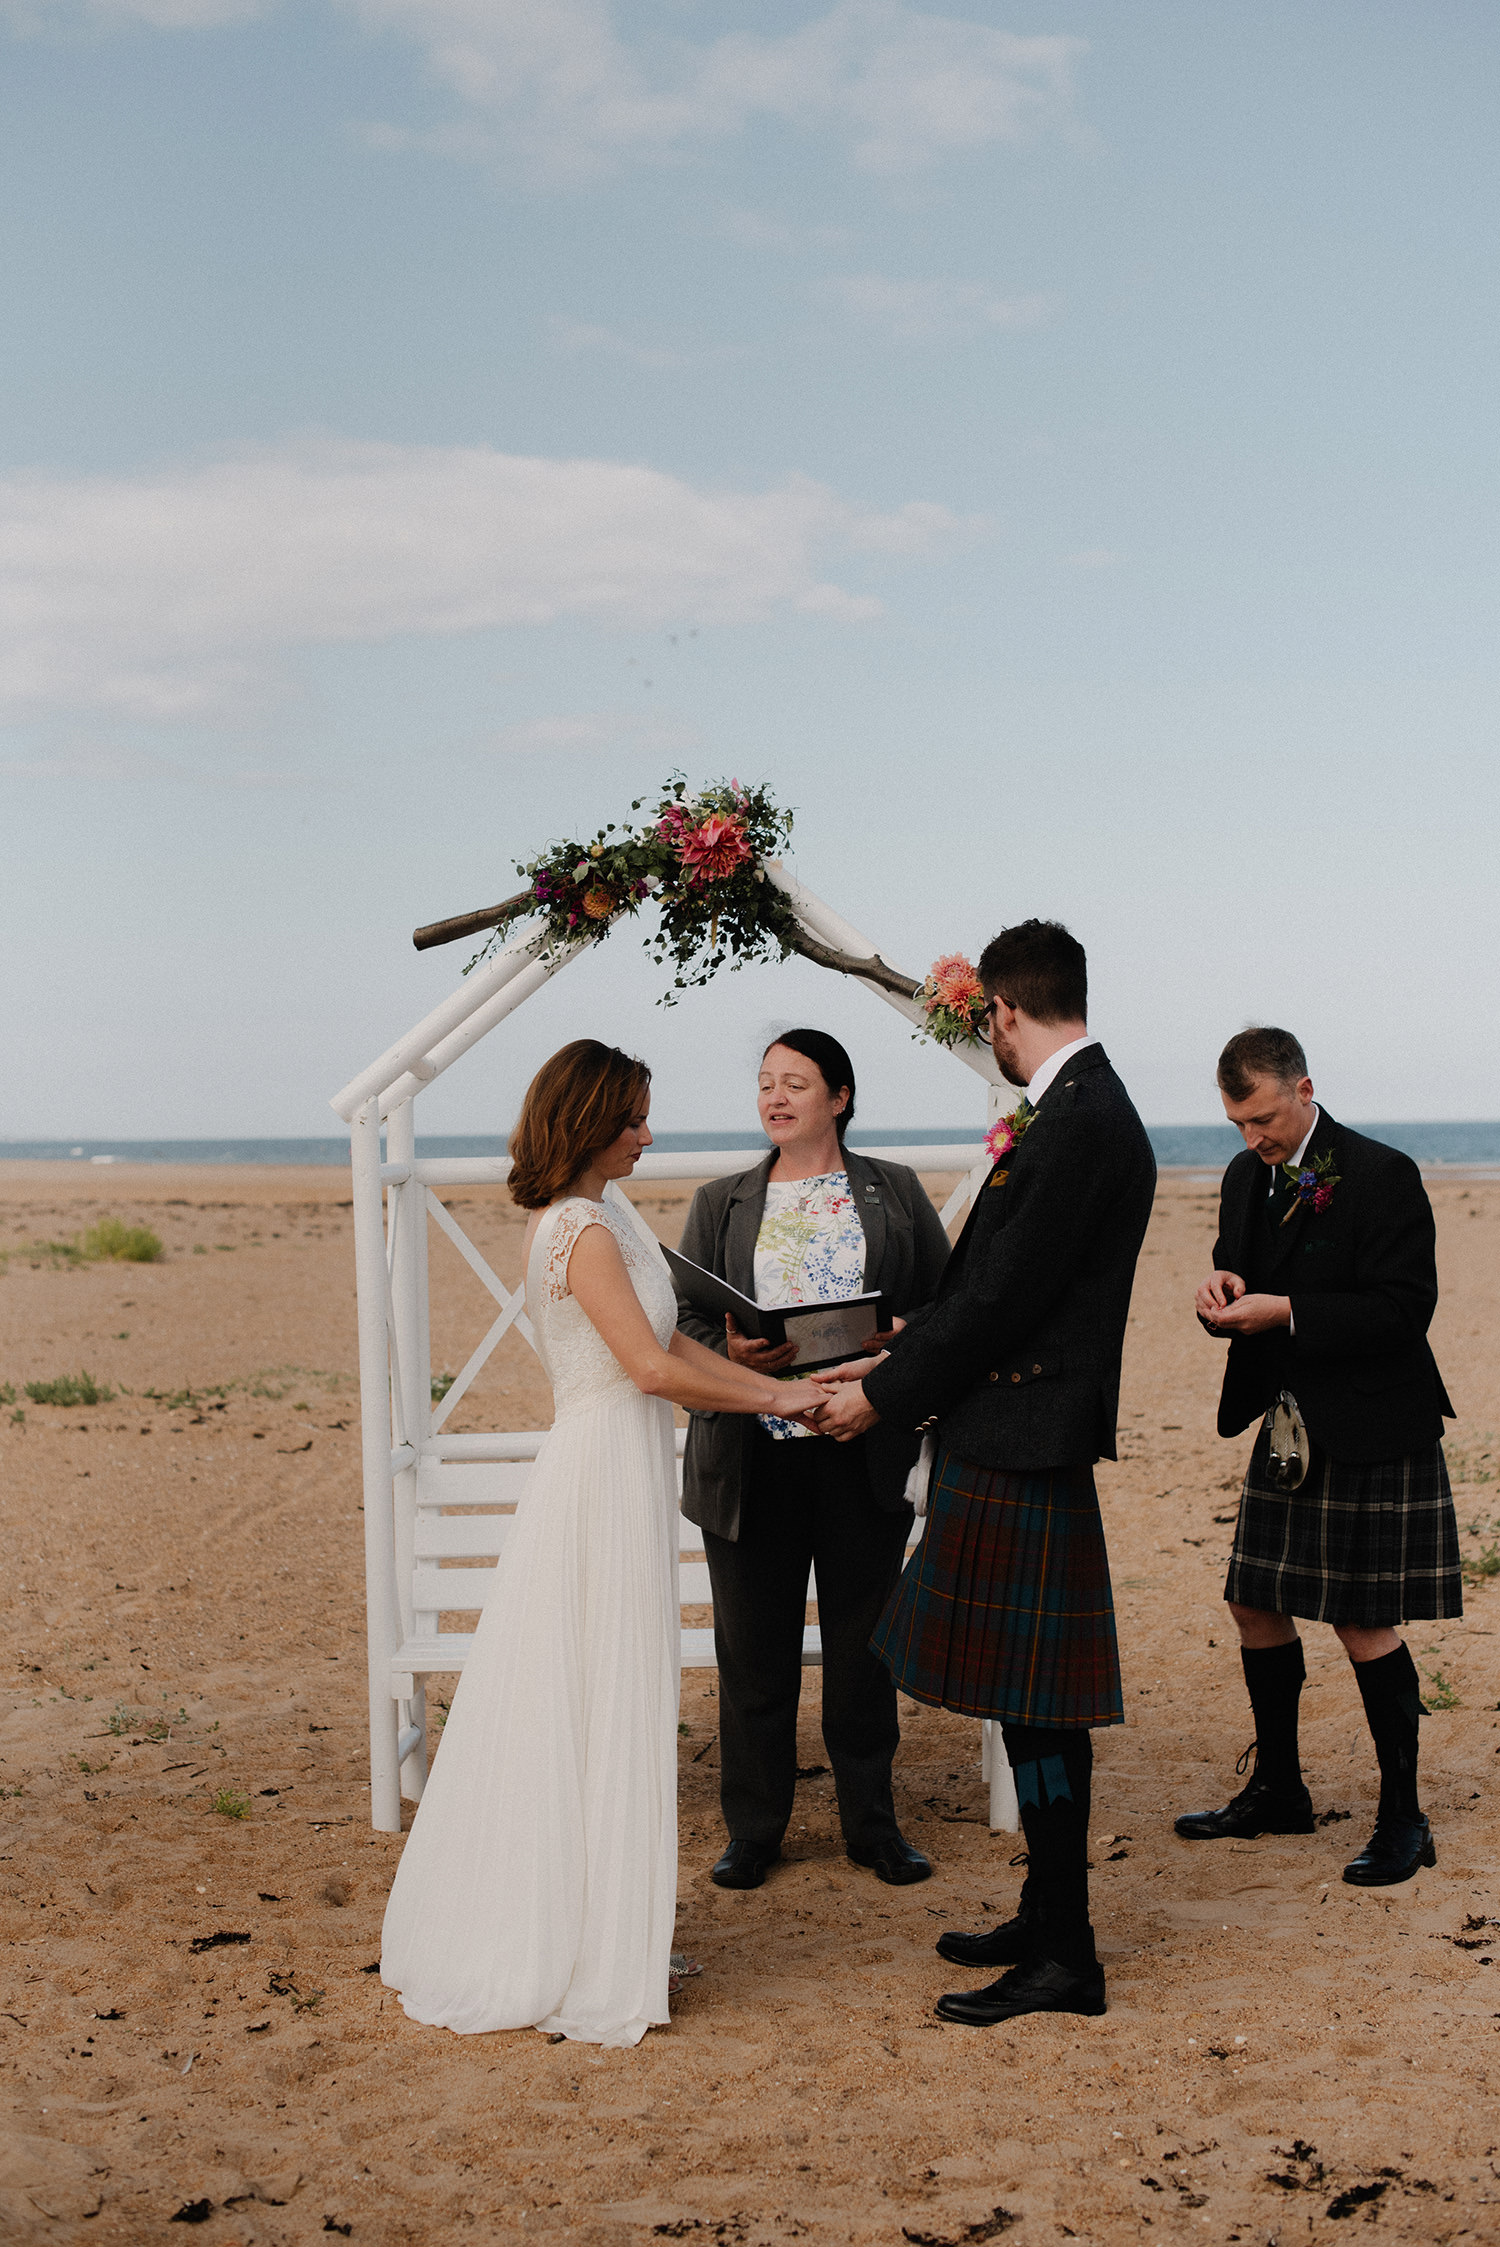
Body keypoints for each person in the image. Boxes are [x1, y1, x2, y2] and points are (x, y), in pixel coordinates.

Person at [380, 1040, 825, 2047]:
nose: (648, 1134)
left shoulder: (607, 1215)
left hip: (622, 1468)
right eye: (633, 1119)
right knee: (594, 1691)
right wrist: (782, 1397)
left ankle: (602, 1923)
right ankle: (571, 1941)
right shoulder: (577, 1227)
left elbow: (668, 1342)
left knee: (610, 1693)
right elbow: (649, 1372)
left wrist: (757, 1372)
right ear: (588, 1122)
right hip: (598, 1472)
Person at [813, 923, 1156, 2024]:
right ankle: (1047, 1914)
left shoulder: (1080, 1120)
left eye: (987, 1025)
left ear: (1004, 1010)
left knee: (1041, 1714)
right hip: (1011, 1421)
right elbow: (1001, 1284)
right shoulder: (1075, 1111)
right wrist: (910, 1339)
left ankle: (1069, 1957)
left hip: (1024, 1431)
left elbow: (1008, 1297)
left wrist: (886, 1390)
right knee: (1024, 1707)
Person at [1176, 1027, 1460, 1886]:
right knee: (1253, 1602)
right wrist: (1217, 1296)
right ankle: (1279, 1789)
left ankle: (1404, 1818)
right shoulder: (1240, 1177)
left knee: (1363, 1622)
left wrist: (1288, 1311)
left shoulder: (1382, 1174)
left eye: (1262, 1117)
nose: (1252, 1137)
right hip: (1288, 1424)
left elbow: (1405, 1308)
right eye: (1236, 1123)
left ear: (1304, 1088)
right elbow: (1239, 1272)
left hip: (1374, 1422)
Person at [674, 1029, 951, 1891]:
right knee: (753, 1654)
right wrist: (732, 1357)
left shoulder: (894, 1191)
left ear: (840, 1095)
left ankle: (873, 1827)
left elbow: (944, 1311)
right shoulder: (720, 1201)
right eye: (765, 1083)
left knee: (865, 1651)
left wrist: (901, 1345)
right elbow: (681, 1325)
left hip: (860, 1444)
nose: (776, 1096)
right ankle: (753, 1831)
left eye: (796, 1081)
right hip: (752, 1455)